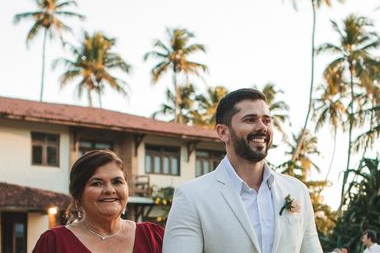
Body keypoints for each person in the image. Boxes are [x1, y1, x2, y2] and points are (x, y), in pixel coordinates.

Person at [162, 88, 323, 253]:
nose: (262, 127)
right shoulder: (191, 196)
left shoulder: (297, 190)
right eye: (250, 120)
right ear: (223, 132)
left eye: (267, 121)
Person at [33, 150, 164, 253]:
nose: (109, 190)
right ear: (78, 194)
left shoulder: (153, 237)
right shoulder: (53, 243)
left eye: (117, 181)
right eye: (97, 183)